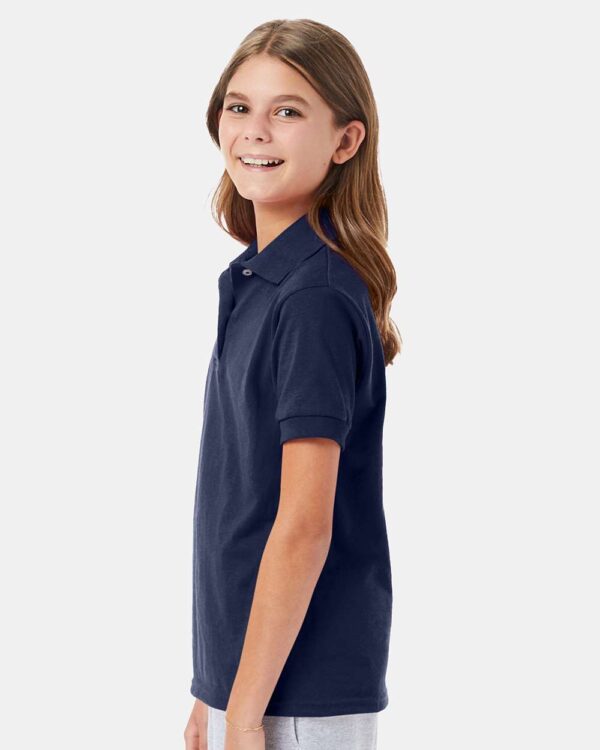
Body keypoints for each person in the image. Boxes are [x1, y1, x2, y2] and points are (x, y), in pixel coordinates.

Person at [184, 18, 402, 750]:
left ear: (345, 141)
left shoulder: (313, 297)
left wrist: (244, 712)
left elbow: (305, 523)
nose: (255, 130)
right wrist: (212, 692)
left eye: (287, 110)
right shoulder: (261, 280)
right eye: (239, 106)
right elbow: (239, 510)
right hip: (252, 684)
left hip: (295, 698)